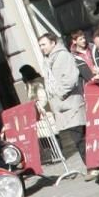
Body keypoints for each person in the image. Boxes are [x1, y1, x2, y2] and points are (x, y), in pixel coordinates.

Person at [37, 33, 88, 165]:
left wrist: (60, 94)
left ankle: (92, 166)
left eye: (44, 44)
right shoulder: (47, 60)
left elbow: (70, 79)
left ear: (53, 43)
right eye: (40, 45)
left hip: (71, 103)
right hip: (62, 105)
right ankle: (91, 165)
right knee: (78, 138)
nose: (42, 48)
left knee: (80, 137)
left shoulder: (63, 55)